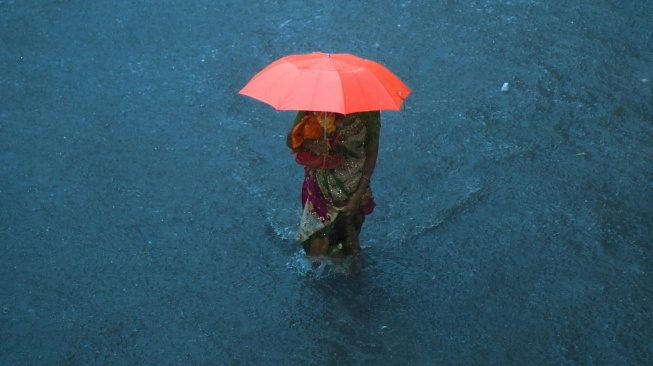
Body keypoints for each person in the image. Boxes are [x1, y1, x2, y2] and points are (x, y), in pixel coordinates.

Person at [286, 110, 380, 256]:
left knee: (350, 247)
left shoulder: (368, 110)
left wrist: (359, 193)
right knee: (316, 249)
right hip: (320, 189)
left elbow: (372, 151)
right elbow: (290, 140)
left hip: (353, 190)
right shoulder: (316, 103)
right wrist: (310, 144)